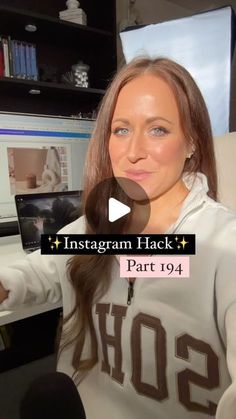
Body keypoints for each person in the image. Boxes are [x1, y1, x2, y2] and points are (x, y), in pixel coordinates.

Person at [0, 56, 236, 419]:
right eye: (121, 129)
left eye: (157, 129)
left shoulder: (224, 245)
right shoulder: (101, 223)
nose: (133, 152)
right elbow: (43, 267)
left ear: (191, 142)